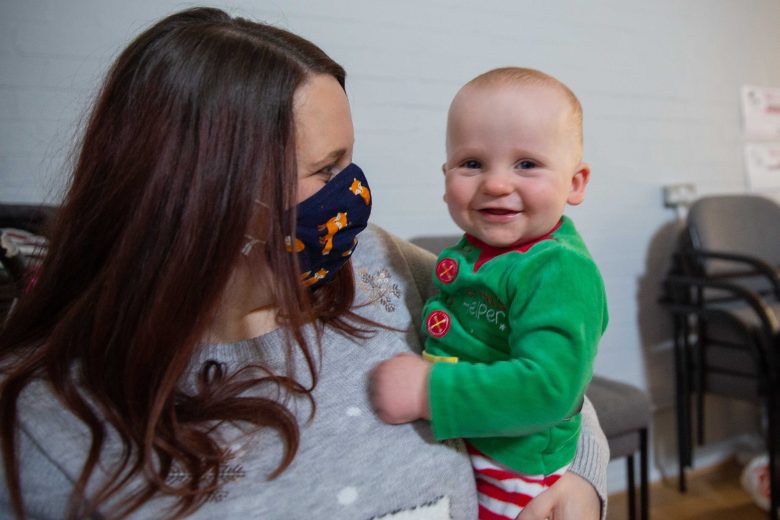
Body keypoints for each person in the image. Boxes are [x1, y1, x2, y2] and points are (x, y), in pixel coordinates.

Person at [0, 9, 608, 520]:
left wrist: (580, 480)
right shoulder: (46, 425)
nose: (352, 191)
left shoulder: (381, 266)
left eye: (350, 161)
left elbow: (551, 380)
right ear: (208, 193)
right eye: (326, 169)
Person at [370, 67, 609, 519]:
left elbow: (551, 389)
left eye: (527, 164)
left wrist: (428, 392)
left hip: (514, 469)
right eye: (473, 163)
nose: (497, 184)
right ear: (446, 176)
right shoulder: (476, 250)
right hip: (477, 448)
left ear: (575, 183)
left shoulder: (557, 268)